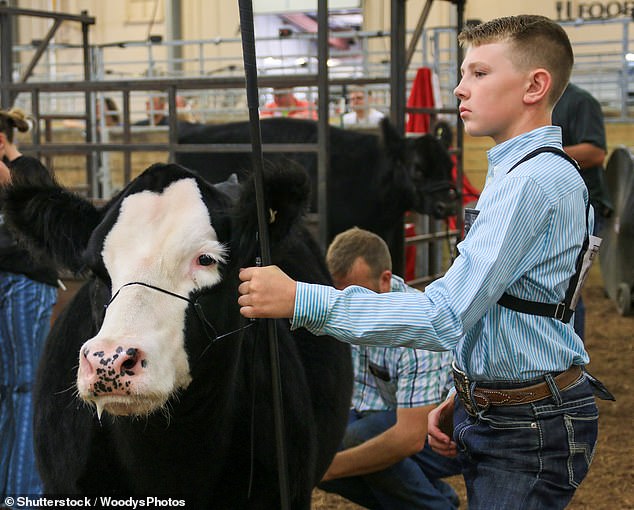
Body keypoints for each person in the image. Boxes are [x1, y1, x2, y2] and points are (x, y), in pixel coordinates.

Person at [238, 15, 608, 509]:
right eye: (462, 75)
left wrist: (301, 298)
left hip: (527, 426)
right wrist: (469, 385)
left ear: (534, 85)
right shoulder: (527, 171)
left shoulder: (530, 183)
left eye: (478, 73)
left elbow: (443, 317)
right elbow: (517, 306)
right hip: (508, 406)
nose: (459, 89)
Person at [318, 227, 461, 509]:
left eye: (354, 296)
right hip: (388, 415)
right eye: (339, 296)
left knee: (341, 451)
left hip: (444, 435)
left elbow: (407, 438)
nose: (346, 306)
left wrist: (325, 468)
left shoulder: (417, 326)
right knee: (317, 446)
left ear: (385, 280)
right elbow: (359, 403)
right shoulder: (355, 308)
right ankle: (434, 499)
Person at [0, 108, 59, 500]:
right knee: (10, 387)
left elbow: (37, 223)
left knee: (22, 387)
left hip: (25, 283)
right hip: (8, 280)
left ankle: (23, 492)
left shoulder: (29, 170)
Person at [552, 82, 612, 341]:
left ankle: (572, 359)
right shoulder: (539, 102)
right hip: (555, 204)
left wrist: (543, 153)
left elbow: (595, 153)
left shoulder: (580, 101)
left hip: (583, 205)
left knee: (570, 287)